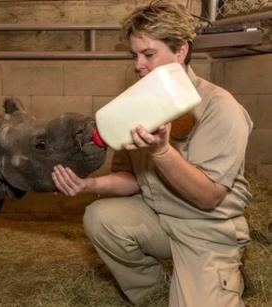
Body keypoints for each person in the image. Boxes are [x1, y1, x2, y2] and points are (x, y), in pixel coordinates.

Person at [52, 1, 253, 306]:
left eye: (148, 54)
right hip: (159, 219)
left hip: (206, 229)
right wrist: (88, 185)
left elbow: (209, 197)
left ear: (181, 51)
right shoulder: (137, 104)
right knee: (100, 217)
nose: (138, 65)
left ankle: (218, 271)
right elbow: (131, 179)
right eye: (134, 55)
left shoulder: (220, 108)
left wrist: (162, 152)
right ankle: (155, 293)